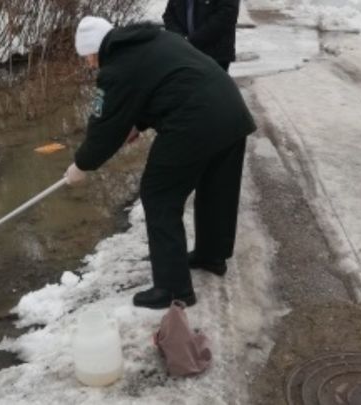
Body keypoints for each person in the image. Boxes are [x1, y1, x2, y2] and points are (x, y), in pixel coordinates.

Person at [64, 16, 256, 309]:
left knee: (158, 194)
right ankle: (211, 256)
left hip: (195, 121)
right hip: (230, 109)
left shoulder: (115, 69)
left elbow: (103, 128)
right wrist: (137, 125)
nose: (90, 64)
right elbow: (161, 82)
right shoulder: (153, 40)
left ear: (96, 49)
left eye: (88, 57)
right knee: (217, 185)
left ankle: (173, 289)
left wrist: (82, 165)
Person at [162, 0, 240, 71]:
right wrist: (180, 38)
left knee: (212, 85)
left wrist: (192, 40)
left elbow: (227, 14)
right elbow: (169, 15)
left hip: (214, 54)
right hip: (185, 54)